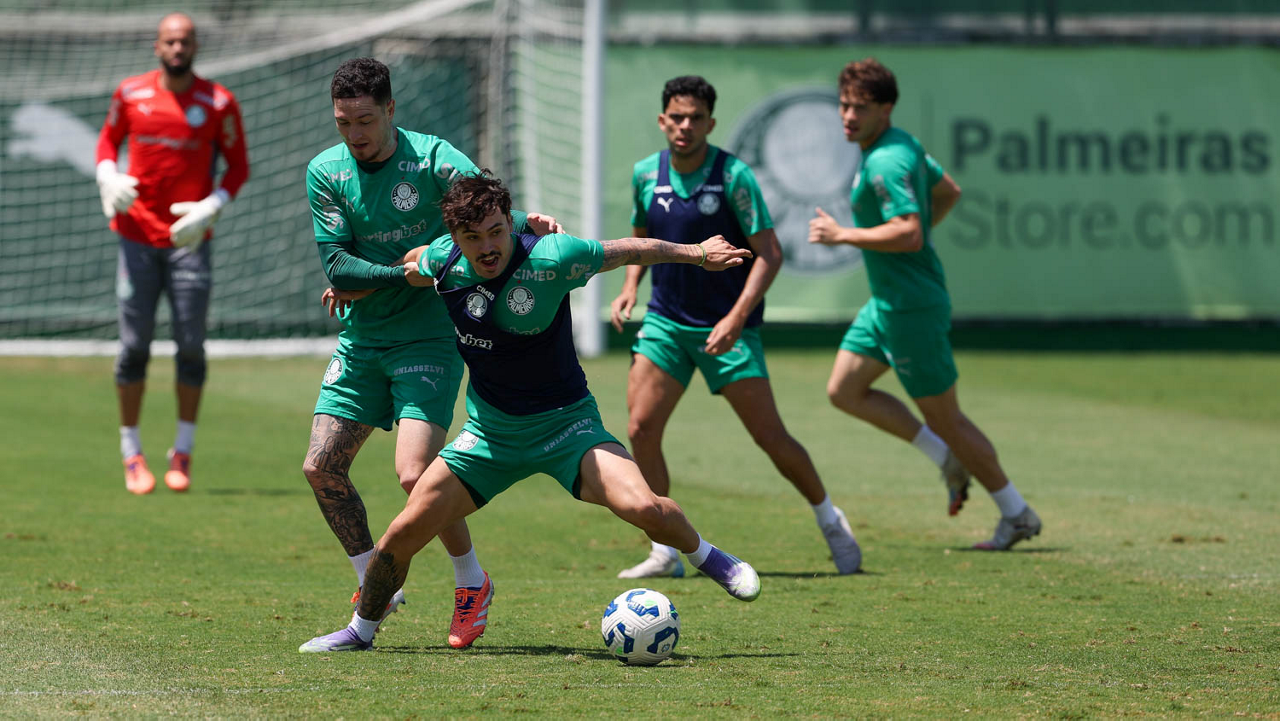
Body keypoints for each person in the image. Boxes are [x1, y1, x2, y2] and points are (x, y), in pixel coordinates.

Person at [299, 172, 761, 652]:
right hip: (490, 436)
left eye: (496, 232)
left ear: (509, 222)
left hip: (568, 427)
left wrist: (699, 252)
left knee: (643, 507)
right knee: (400, 534)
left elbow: (629, 250)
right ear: (454, 237)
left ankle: (709, 557)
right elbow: (413, 267)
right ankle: (360, 631)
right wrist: (362, 289)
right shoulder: (444, 259)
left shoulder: (554, 257)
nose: (487, 248)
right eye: (472, 237)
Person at [304, 58, 564, 649]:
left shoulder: (433, 159)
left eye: (365, 120)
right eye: (343, 122)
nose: (354, 134)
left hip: (429, 339)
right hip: (362, 340)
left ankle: (471, 581)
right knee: (321, 468)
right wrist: (404, 272)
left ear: (391, 110)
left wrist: (526, 224)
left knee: (414, 473)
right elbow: (337, 266)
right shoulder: (326, 171)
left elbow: (488, 212)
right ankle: (374, 580)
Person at [609, 76, 861, 577]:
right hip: (665, 322)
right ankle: (664, 550)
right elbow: (642, 236)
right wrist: (630, 284)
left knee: (770, 437)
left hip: (726, 328)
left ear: (711, 123)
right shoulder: (646, 174)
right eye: (676, 117)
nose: (685, 126)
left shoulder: (734, 176)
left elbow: (770, 253)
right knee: (640, 428)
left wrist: (736, 317)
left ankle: (830, 519)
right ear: (662, 121)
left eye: (695, 118)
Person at [808, 58, 1041, 551]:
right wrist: (904, 243)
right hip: (887, 303)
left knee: (947, 418)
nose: (848, 116)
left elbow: (910, 231)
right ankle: (947, 459)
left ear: (886, 109)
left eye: (860, 108)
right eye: (844, 105)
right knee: (844, 390)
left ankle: (1016, 512)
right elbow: (948, 191)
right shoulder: (898, 145)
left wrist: (843, 235)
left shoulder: (886, 162)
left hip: (910, 307)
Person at [95, 12, 249, 495]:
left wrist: (211, 207)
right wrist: (107, 176)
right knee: (133, 348)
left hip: (189, 243)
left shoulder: (219, 102)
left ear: (195, 46)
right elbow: (107, 142)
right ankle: (131, 453)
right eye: (170, 41)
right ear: (156, 46)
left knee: (190, 346)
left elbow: (238, 167)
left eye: (185, 41)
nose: (178, 48)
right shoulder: (129, 93)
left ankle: (182, 452)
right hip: (136, 236)